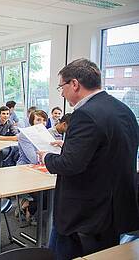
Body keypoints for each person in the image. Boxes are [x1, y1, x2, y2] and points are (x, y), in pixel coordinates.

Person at [37, 58, 139, 260]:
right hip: (113, 211)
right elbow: (107, 150)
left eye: (61, 86)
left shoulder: (84, 115)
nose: (62, 93)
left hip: (84, 215)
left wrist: (46, 157)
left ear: (74, 84)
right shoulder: (124, 110)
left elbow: (70, 164)